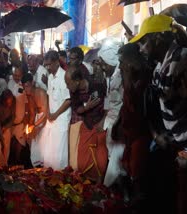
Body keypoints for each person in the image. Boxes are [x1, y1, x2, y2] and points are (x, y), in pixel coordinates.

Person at [129, 14, 187, 214]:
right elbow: (159, 104)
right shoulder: (157, 68)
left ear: (158, 39)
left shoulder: (183, 58)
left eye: (144, 42)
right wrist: (160, 135)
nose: (141, 48)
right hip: (175, 144)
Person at [115, 43, 152, 209]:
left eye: (122, 61)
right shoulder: (130, 75)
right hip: (130, 131)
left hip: (142, 132)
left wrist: (128, 78)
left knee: (137, 174)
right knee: (129, 170)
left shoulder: (144, 77)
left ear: (131, 60)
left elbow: (136, 107)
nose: (120, 66)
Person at [65, 64, 107, 182]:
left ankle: (101, 188)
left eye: (68, 83)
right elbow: (77, 109)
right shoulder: (74, 92)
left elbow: (109, 107)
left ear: (77, 81)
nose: (67, 86)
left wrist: (103, 122)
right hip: (87, 124)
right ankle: (87, 186)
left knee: (101, 160)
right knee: (82, 161)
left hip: (101, 125)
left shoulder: (97, 85)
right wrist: (86, 107)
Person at [96, 38, 125, 187]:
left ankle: (108, 191)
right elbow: (108, 101)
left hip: (120, 125)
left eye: (103, 63)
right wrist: (103, 121)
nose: (101, 66)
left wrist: (118, 125)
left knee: (116, 161)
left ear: (111, 61)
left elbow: (126, 104)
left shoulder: (123, 75)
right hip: (110, 123)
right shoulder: (109, 77)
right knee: (111, 157)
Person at [43, 51, 71, 170]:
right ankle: (49, 177)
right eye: (46, 65)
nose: (48, 67)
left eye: (49, 64)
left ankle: (60, 179)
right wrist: (48, 112)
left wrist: (55, 114)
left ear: (56, 62)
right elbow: (49, 95)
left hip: (61, 119)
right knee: (49, 151)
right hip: (52, 118)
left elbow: (68, 100)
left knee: (60, 155)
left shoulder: (65, 76)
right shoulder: (50, 77)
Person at [21, 73, 48, 167]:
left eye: (27, 86)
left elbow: (46, 114)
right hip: (38, 119)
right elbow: (32, 114)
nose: (26, 89)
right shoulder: (29, 96)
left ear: (32, 83)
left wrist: (35, 126)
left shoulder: (41, 92)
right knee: (31, 140)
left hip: (46, 119)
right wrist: (29, 128)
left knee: (44, 145)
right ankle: (37, 166)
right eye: (24, 87)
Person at [0, 89, 15, 166]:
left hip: (6, 126)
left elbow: (13, 117)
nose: (9, 105)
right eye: (7, 103)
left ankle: (4, 165)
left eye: (10, 103)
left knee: (6, 147)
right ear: (3, 101)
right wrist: (0, 131)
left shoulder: (14, 101)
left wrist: (6, 127)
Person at [7, 65, 27, 163]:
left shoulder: (24, 86)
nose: (16, 77)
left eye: (18, 76)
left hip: (20, 119)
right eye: (14, 75)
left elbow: (28, 103)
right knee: (10, 142)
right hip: (9, 120)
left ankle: (18, 160)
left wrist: (26, 118)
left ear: (22, 75)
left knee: (19, 142)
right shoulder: (9, 82)